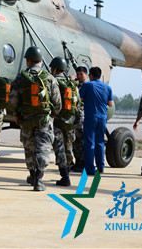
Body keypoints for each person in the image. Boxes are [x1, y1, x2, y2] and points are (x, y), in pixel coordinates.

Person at [9, 46, 61, 191]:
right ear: (40, 61)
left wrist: (17, 114)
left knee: (29, 148)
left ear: (28, 61)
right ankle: (38, 180)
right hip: (44, 119)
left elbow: (12, 101)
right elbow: (57, 103)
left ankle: (32, 175)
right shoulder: (49, 78)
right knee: (42, 148)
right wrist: (52, 115)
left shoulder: (20, 78)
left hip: (25, 119)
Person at [49, 57, 80, 187]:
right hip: (70, 121)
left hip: (57, 121)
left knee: (59, 149)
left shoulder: (52, 81)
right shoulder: (71, 84)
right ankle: (67, 172)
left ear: (55, 68)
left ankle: (65, 177)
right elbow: (78, 102)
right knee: (68, 147)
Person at [79, 66, 114, 176]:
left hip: (91, 117)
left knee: (89, 143)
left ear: (90, 75)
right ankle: (101, 167)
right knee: (100, 143)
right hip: (102, 118)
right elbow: (111, 104)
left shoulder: (87, 85)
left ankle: (90, 169)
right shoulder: (107, 87)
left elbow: (79, 99)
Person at [70, 65, 88, 172]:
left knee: (81, 140)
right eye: (78, 74)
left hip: (82, 116)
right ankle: (78, 162)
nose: (79, 76)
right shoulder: (77, 84)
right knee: (75, 140)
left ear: (86, 75)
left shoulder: (87, 86)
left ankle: (82, 163)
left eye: (81, 74)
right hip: (75, 116)